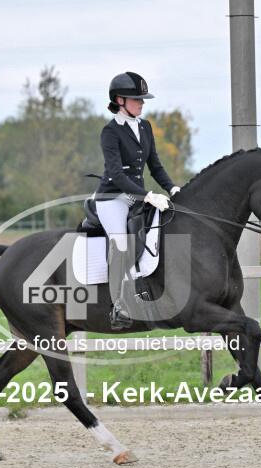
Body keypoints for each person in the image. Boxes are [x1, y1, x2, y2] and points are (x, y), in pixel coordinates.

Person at [94, 71, 181, 329]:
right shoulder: (110, 132)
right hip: (112, 198)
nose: (142, 103)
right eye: (136, 99)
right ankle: (117, 305)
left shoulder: (145, 126)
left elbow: (155, 165)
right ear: (120, 100)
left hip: (138, 197)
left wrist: (172, 188)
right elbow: (117, 175)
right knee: (121, 243)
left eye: (142, 99)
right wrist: (148, 196)